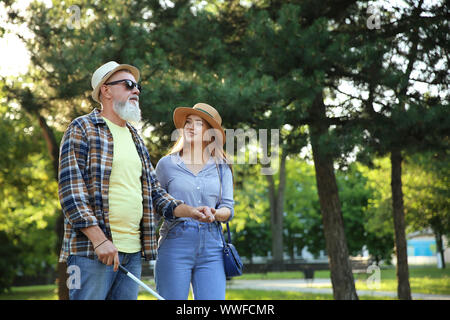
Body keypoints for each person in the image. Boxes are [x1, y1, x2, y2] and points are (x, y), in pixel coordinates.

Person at [58, 61, 212, 300]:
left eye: (137, 86)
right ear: (106, 90)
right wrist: (100, 241)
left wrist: (190, 211)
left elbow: (154, 193)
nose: (136, 91)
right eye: (128, 85)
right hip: (90, 253)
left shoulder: (135, 137)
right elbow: (71, 192)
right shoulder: (82, 128)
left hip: (131, 252)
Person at [154, 103, 235, 300]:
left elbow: (228, 208)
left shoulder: (222, 167)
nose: (190, 127)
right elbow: (155, 207)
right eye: (188, 122)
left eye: (198, 123)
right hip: (175, 242)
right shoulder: (166, 165)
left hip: (212, 246)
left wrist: (214, 214)